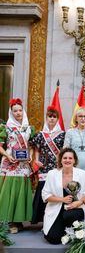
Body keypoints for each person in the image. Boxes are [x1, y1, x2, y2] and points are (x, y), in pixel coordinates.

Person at [0, 98, 35, 233]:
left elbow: (31, 146)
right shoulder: (6, 128)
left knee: (21, 191)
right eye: (15, 111)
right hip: (9, 163)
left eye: (20, 110)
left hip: (23, 163)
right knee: (9, 190)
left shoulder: (28, 128)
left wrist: (31, 155)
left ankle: (18, 220)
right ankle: (8, 221)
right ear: (11, 112)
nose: (18, 113)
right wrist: (7, 155)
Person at [42, 148, 85, 244]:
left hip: (75, 208)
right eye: (65, 158)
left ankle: (70, 230)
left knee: (69, 215)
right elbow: (45, 195)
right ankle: (62, 229)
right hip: (56, 208)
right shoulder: (52, 174)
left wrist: (79, 202)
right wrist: (62, 199)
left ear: (74, 160)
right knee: (53, 239)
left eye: (70, 158)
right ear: (60, 160)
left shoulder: (82, 174)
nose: (67, 160)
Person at [31, 106, 65, 224]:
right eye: (49, 116)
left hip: (56, 167)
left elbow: (63, 150)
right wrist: (36, 160)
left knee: (55, 191)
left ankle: (54, 219)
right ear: (46, 118)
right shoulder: (41, 134)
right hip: (43, 166)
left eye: (54, 117)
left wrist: (62, 163)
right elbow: (36, 148)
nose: (51, 119)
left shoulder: (62, 135)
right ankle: (41, 219)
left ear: (57, 119)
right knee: (43, 191)